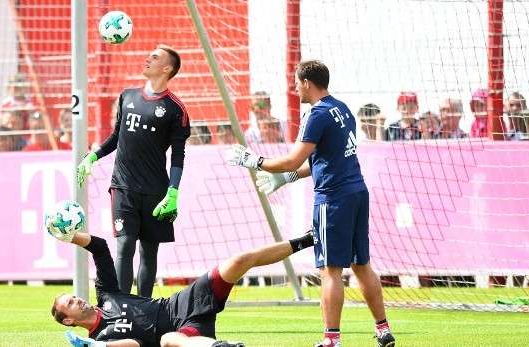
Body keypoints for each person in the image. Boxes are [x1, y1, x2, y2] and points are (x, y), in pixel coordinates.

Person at [226, 60, 395, 347]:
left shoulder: (315, 114)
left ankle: (332, 339)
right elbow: (324, 160)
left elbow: (294, 158)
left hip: (333, 198)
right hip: (356, 192)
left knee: (330, 270)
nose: (294, 89)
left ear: (306, 82)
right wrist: (287, 178)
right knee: (361, 265)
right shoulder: (342, 109)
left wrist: (253, 161)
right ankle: (383, 329)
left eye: (296, 83)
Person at [49, 227, 314, 347]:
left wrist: (70, 236)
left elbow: (100, 247)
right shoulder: (100, 339)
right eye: (70, 303)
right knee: (168, 340)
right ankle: (219, 346)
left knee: (238, 261)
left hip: (182, 302)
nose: (78, 300)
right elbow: (136, 344)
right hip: (184, 332)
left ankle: (308, 239)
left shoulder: (106, 295)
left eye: (73, 296)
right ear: (70, 321)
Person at [77, 44, 191, 299]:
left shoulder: (176, 109)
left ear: (167, 68)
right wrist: (92, 157)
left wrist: (172, 191)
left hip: (156, 191)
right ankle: (120, 307)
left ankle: (145, 307)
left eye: (154, 57)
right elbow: (117, 136)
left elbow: (178, 155)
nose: (147, 58)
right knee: (125, 244)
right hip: (123, 186)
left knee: (148, 252)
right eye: (148, 54)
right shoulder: (127, 96)